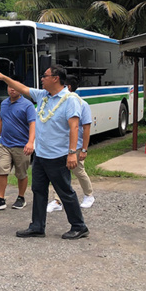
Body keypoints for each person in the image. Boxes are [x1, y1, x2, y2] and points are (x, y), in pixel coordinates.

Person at [0, 65, 89, 239]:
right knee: (38, 190)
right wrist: (4, 77)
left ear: (56, 78)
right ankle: (37, 226)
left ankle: (79, 226)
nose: (42, 78)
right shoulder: (43, 96)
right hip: (41, 155)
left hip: (58, 156)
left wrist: (72, 152)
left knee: (65, 191)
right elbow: (22, 88)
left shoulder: (69, 99)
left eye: (45, 76)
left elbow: (74, 126)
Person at [0, 77, 36, 211]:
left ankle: (21, 197)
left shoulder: (28, 105)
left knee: (21, 174)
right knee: (2, 170)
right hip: (5, 144)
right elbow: (2, 120)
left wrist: (31, 142)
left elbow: (33, 124)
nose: (12, 89)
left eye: (15, 86)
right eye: (9, 86)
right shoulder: (4, 103)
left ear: (21, 88)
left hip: (21, 145)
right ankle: (0, 199)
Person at [47, 75, 95, 212]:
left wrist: (84, 149)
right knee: (59, 173)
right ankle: (58, 200)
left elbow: (86, 128)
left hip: (77, 145)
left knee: (78, 170)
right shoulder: (58, 103)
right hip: (60, 145)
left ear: (68, 87)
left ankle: (89, 195)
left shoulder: (82, 104)